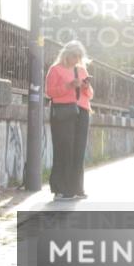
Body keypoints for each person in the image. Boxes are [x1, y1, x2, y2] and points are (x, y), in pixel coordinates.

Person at [45, 40, 94, 200]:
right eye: (75, 56)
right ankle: (61, 189)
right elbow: (50, 92)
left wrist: (86, 87)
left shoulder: (81, 69)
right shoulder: (55, 70)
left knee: (79, 151)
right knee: (64, 149)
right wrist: (69, 85)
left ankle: (77, 188)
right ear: (67, 54)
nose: (77, 59)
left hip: (83, 111)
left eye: (79, 56)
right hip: (63, 112)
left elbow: (91, 94)